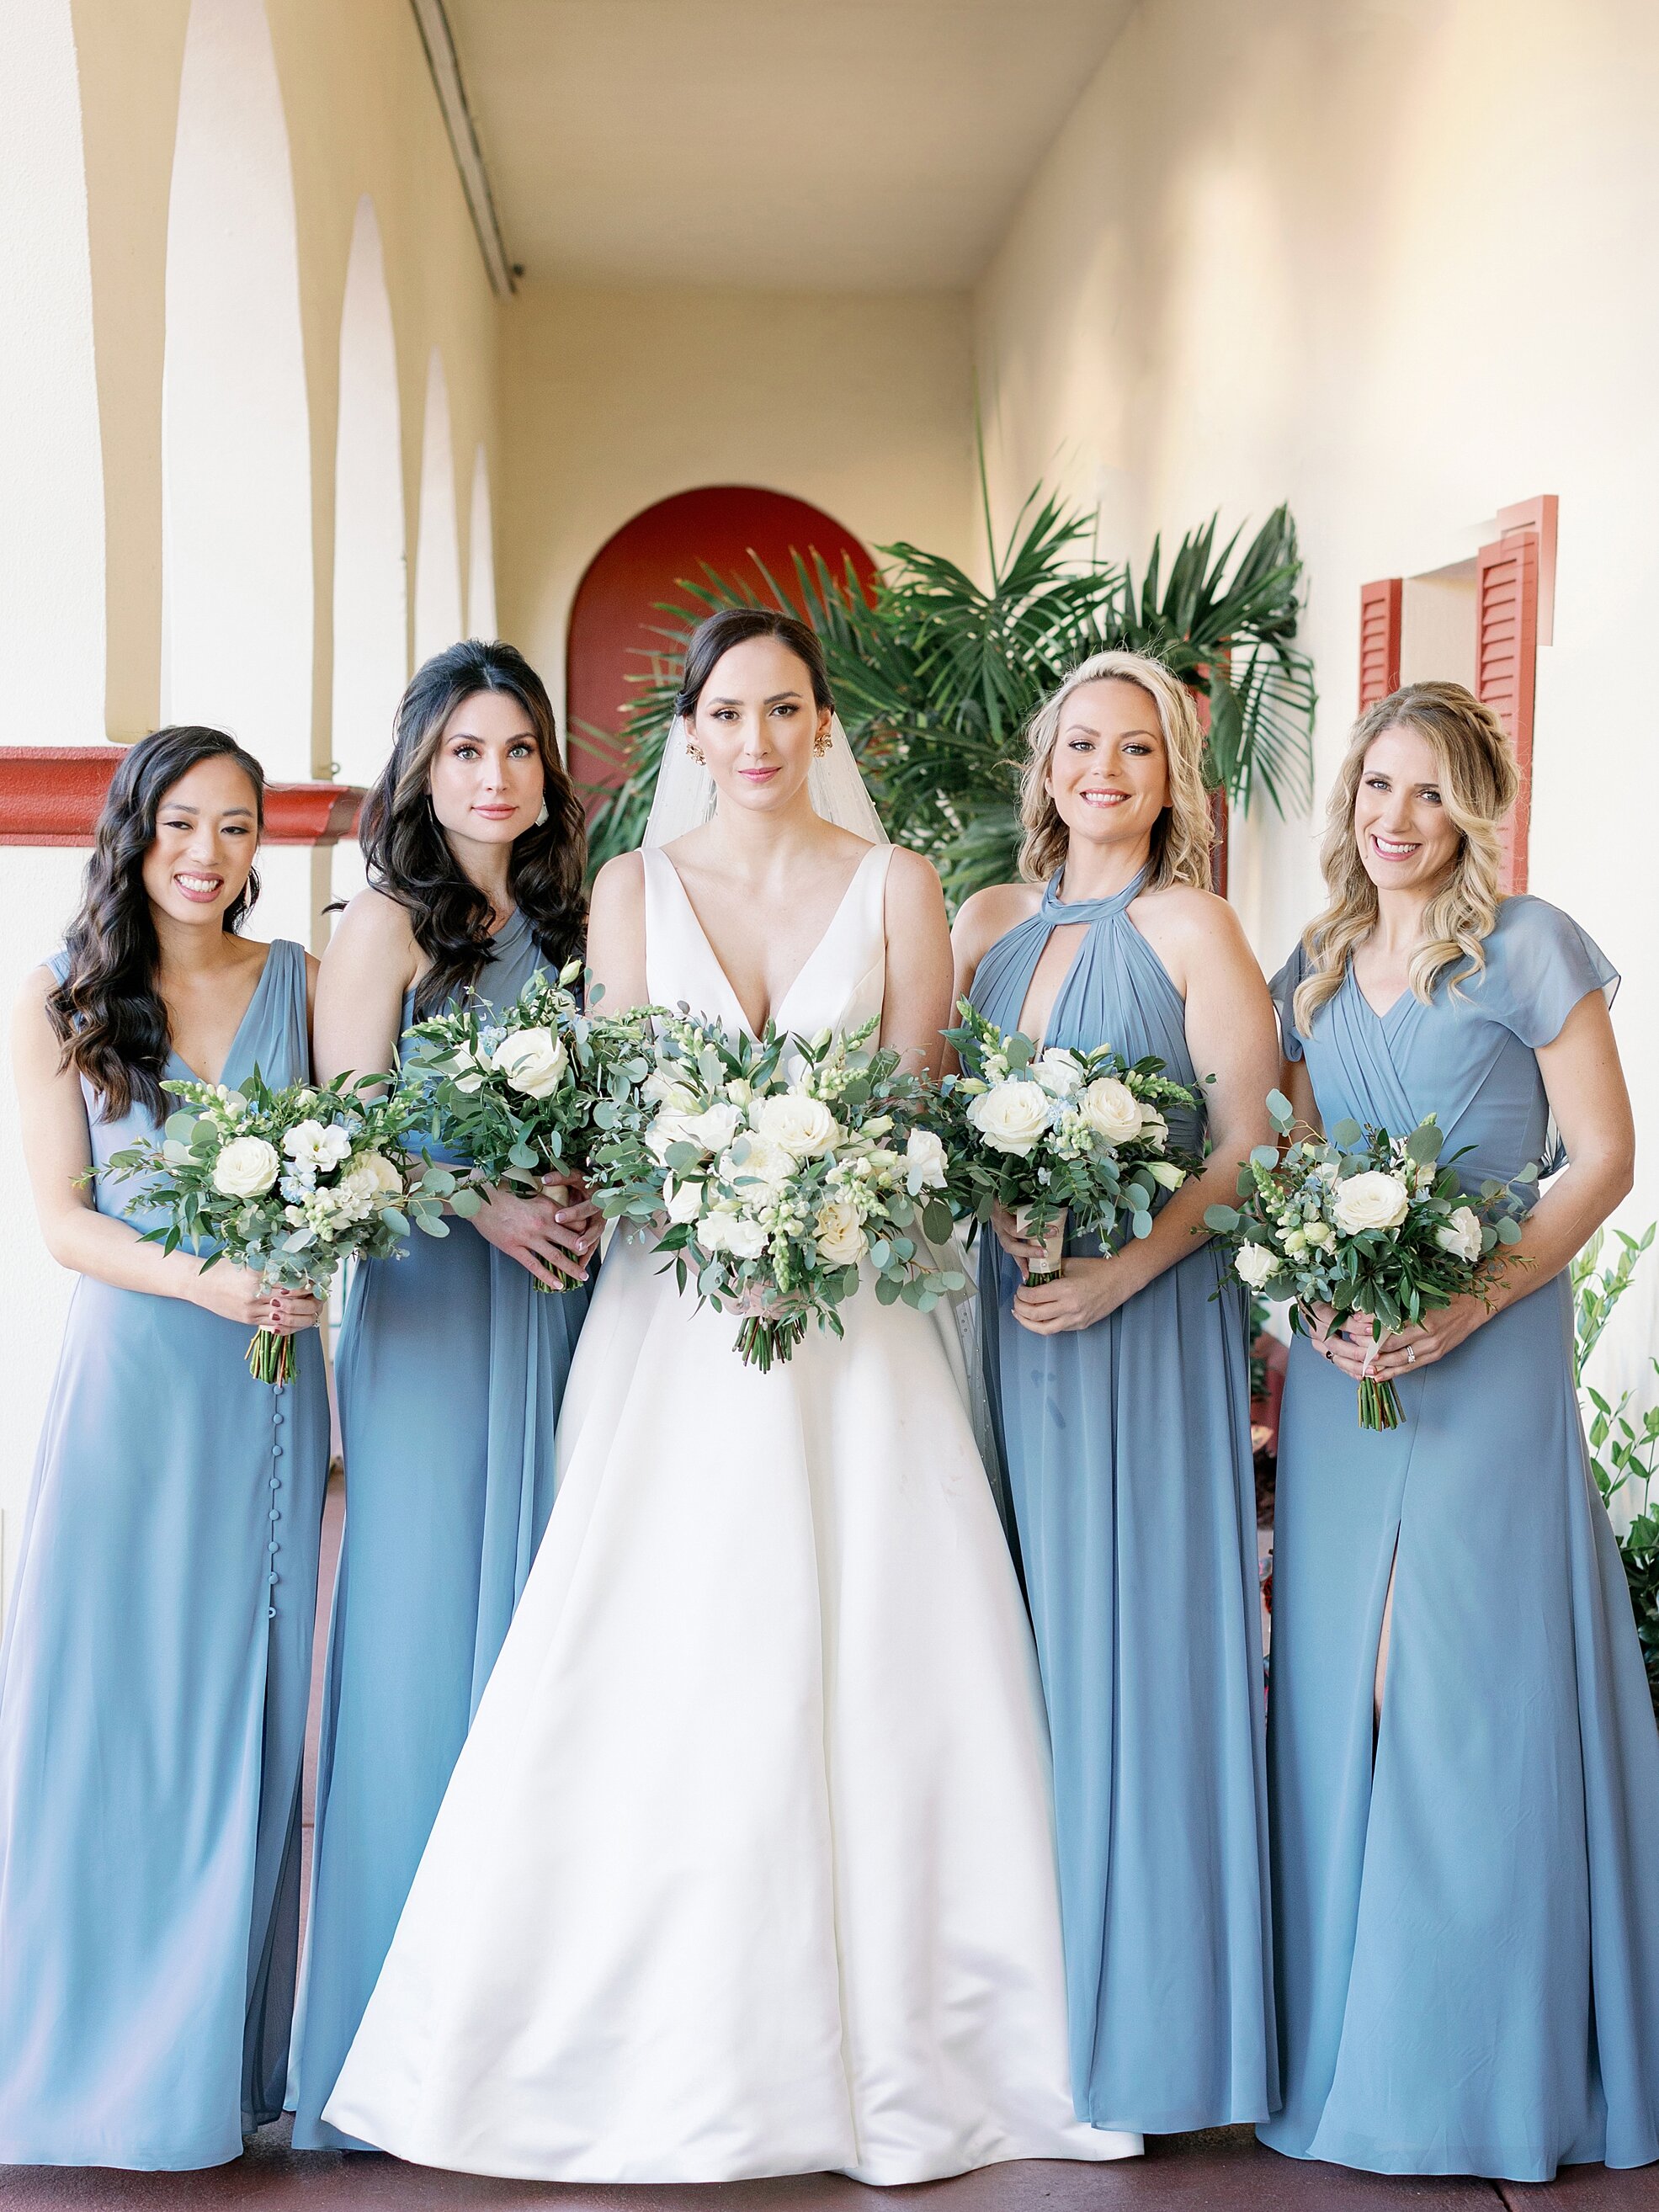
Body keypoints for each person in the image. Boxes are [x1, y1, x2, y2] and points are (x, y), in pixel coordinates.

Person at [322, 607, 1138, 2185]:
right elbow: (631, 1102)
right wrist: (715, 1203)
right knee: (661, 1636)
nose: (756, 741)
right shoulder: (628, 889)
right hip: (677, 1321)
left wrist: (821, 1204)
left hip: (858, 1326)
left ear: (824, 725)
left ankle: (945, 2043)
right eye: (726, 715)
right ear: (686, 736)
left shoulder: (901, 888)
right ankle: (631, 2040)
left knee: (888, 1645)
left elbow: (912, 1108)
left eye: (784, 711)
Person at [1261, 680, 1659, 2181]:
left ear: (1475, 805)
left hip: (1485, 1364)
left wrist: (1469, 1302)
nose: (1395, 817)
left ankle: (1475, 2078)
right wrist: (1318, 1293)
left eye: (1428, 791)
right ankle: (1351, 2057)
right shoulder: (1315, 963)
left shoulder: (1531, 946)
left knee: (1458, 1702)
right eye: (1376, 786)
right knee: (1342, 1695)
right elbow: (1294, 1162)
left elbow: (1605, 1158)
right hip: (1350, 1371)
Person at [951, 649, 1279, 2135]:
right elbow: (939, 1113)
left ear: (1171, 777)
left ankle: (1156, 2034)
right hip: (1010, 1320)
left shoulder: (1199, 926)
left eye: (1134, 750)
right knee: (1008, 1642)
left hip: (1148, 1328)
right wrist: (1001, 1212)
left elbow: (1248, 1148)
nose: (1103, 771)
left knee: (1138, 1647)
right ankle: (1024, 2019)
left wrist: (1121, 1269)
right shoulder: (984, 926)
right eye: (1080, 744)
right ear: (1046, 765)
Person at [0, 727, 327, 2167]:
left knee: (237, 1714)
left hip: (267, 1385)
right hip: (137, 1385)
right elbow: (63, 1222)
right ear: (132, 831)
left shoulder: (300, 986)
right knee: (102, 1713)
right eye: (183, 823)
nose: (208, 854)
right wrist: (204, 1279)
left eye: (239, 828)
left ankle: (200, 2073)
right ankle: (67, 2064)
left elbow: (357, 1152)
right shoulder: (62, 996)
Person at [289, 640, 598, 2151]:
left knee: (548, 1628)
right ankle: (381, 2042)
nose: (496, 776)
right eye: (467, 750)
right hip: (429, 1309)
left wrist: (586, 1194)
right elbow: (352, 1137)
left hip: (562, 1307)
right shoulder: (383, 929)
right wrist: (488, 1208)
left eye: (520, 752)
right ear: (423, 766)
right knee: (424, 1640)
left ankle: (524, 2036)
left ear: (548, 772)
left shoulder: (570, 922)